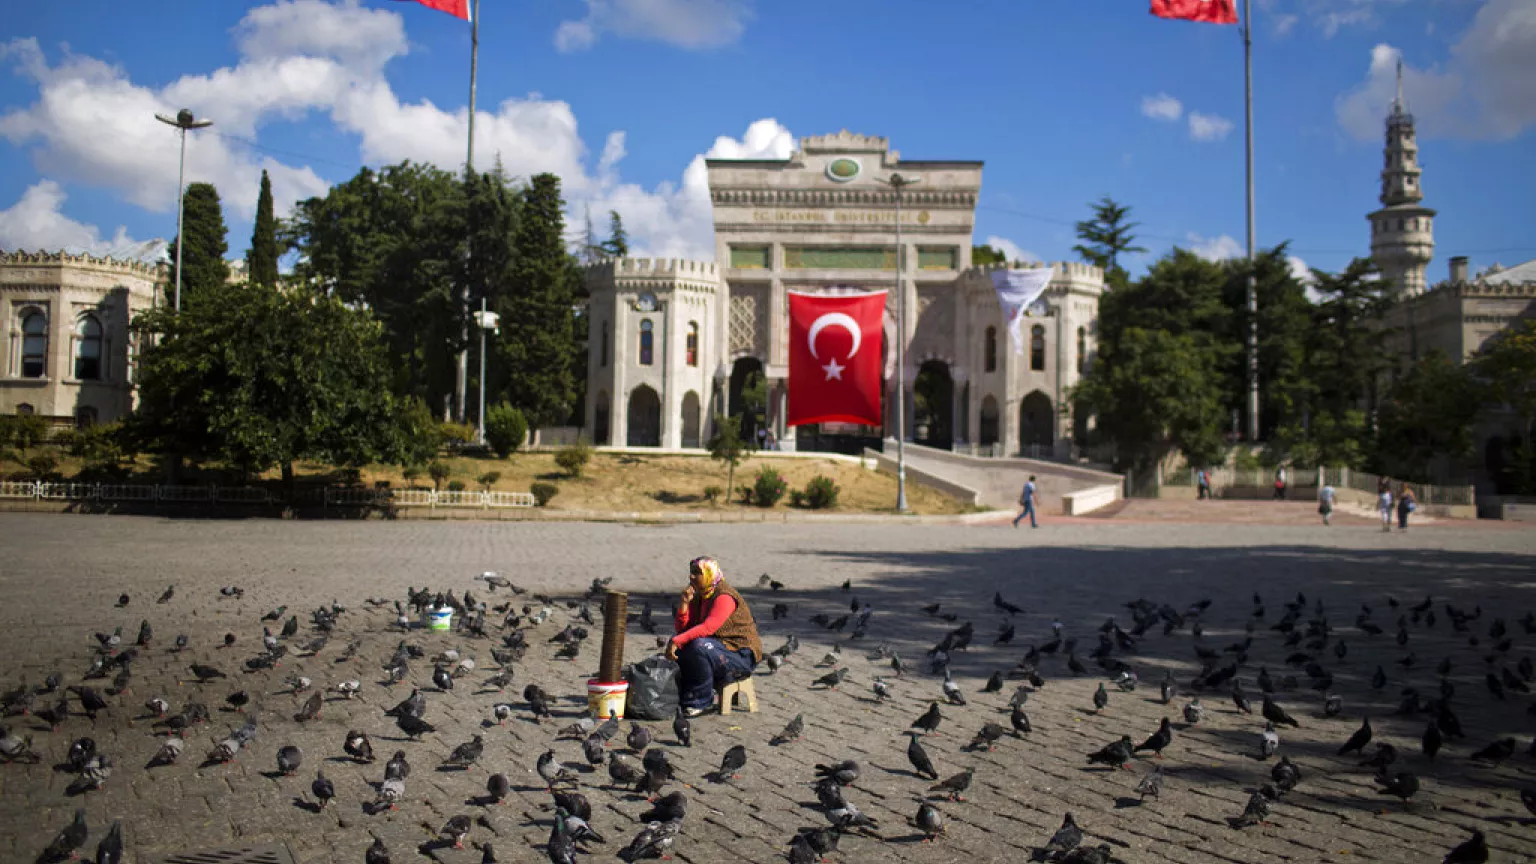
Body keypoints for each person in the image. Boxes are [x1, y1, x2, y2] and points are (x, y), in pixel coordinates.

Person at [665, 557, 763, 717]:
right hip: (717, 648)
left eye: (697, 573)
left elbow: (708, 627)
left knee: (699, 646)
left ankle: (701, 702)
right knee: (684, 647)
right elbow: (684, 630)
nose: (691, 577)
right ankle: (684, 694)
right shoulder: (700, 596)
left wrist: (678, 640)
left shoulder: (724, 596)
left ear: (710, 574)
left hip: (741, 655)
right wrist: (684, 604)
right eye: (691, 573)